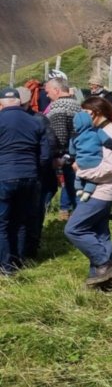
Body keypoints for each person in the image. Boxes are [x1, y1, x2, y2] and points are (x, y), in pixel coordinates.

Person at [64, 97, 112, 287]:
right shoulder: (100, 131)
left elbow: (110, 168)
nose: (83, 116)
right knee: (99, 233)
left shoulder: (110, 133)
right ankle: (101, 281)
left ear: (96, 113)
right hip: (102, 188)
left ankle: (104, 264)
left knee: (74, 229)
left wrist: (80, 171)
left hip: (102, 189)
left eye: (86, 113)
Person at [0, 86, 49, 275]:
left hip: (4, 175)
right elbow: (44, 155)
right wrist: (35, 171)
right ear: (20, 102)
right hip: (29, 175)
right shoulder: (35, 122)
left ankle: (5, 265)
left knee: (2, 222)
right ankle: (19, 260)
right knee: (20, 220)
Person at [44, 75, 82, 221]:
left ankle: (77, 224)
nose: (47, 95)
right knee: (77, 189)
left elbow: (59, 136)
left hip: (67, 156)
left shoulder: (58, 107)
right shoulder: (76, 104)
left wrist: (58, 157)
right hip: (79, 153)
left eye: (48, 92)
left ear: (56, 90)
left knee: (73, 189)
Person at [68, 110, 112, 201]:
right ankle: (87, 192)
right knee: (93, 179)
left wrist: (72, 158)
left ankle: (78, 189)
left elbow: (72, 151)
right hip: (95, 162)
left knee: (79, 175)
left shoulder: (74, 137)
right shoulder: (97, 131)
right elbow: (107, 142)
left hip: (81, 162)